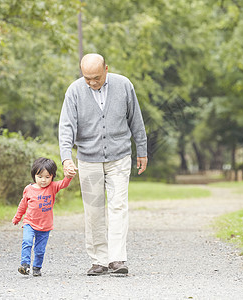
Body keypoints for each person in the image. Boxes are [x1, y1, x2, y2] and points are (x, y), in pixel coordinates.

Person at [58, 53, 148, 276]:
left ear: (106, 69)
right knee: (94, 210)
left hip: (119, 157)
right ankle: (99, 260)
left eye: (96, 77)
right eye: (87, 78)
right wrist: (66, 157)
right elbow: (66, 126)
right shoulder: (75, 91)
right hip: (88, 159)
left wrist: (142, 150)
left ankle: (117, 259)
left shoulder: (124, 85)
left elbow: (136, 119)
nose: (92, 82)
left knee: (118, 206)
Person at [12, 157, 73, 276]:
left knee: (39, 250)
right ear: (34, 175)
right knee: (27, 241)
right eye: (40, 177)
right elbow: (23, 205)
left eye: (47, 177)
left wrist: (69, 175)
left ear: (52, 176)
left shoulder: (53, 187)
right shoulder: (29, 189)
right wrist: (17, 217)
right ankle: (25, 265)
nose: (43, 180)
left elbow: (64, 183)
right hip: (30, 222)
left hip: (45, 226)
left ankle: (37, 268)